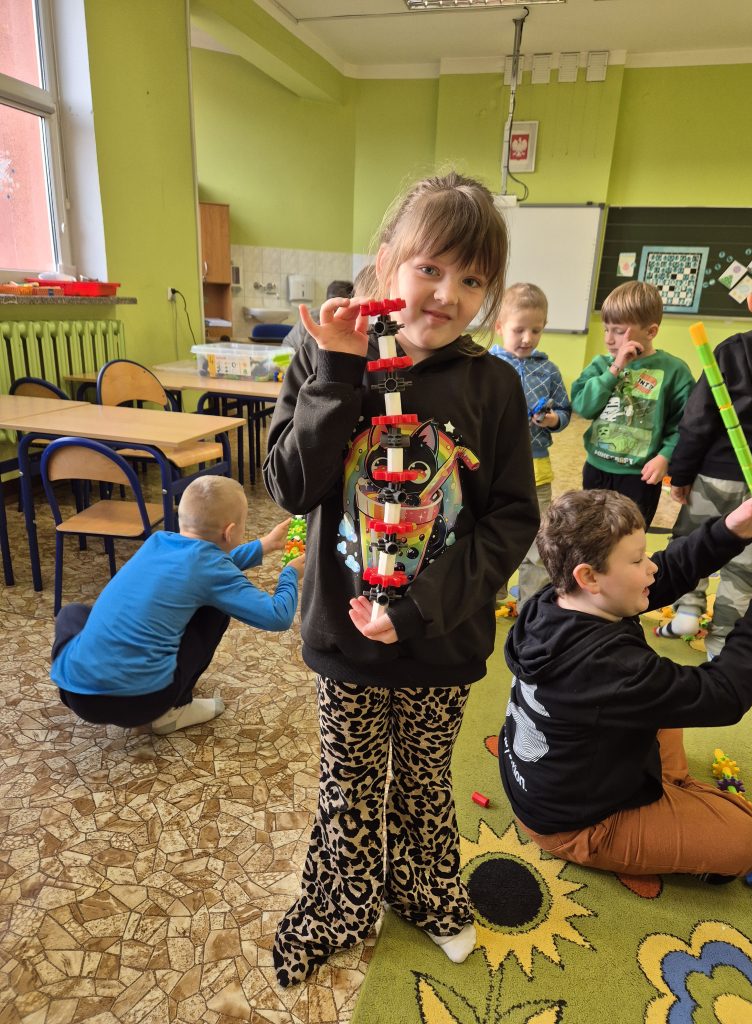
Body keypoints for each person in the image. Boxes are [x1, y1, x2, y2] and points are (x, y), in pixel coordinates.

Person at [264, 171, 539, 986]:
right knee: (347, 785)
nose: (448, 295)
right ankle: (337, 904)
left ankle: (424, 890)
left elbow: (511, 520)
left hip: (441, 638)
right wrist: (336, 372)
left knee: (422, 782)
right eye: (430, 268)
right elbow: (291, 487)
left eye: (473, 280)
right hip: (343, 634)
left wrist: (420, 608)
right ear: (386, 260)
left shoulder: (494, 383)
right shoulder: (324, 353)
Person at [499, 488, 752, 882]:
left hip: (559, 774)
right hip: (574, 823)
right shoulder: (611, 668)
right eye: (638, 559)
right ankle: (668, 802)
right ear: (589, 576)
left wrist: (733, 528)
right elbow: (724, 695)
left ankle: (670, 795)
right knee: (747, 838)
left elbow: (667, 571)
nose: (651, 567)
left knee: (666, 698)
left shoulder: (557, 597)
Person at [50, 476, 304, 733]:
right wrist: (290, 573)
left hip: (78, 697)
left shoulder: (157, 543)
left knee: (73, 612)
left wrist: (265, 545)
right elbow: (278, 616)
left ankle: (86, 671)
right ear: (229, 532)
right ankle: (175, 709)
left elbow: (207, 567)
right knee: (214, 610)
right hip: (142, 703)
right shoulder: (210, 569)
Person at [656, 258, 752, 656]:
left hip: (716, 476)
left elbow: (698, 420)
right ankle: (722, 641)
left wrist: (681, 474)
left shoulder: (734, 349)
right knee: (748, 565)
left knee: (692, 542)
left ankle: (688, 608)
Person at [571, 281, 694, 528]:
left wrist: (665, 456)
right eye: (606, 329)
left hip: (640, 477)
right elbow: (583, 407)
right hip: (597, 469)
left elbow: (685, 424)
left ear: (651, 332)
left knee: (630, 536)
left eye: (618, 331)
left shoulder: (675, 371)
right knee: (593, 534)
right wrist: (615, 369)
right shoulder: (601, 365)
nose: (608, 339)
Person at [489, 283, 571, 606]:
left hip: (536, 468)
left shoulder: (549, 370)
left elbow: (564, 410)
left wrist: (553, 420)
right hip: (494, 467)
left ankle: (531, 606)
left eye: (535, 330)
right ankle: (489, 595)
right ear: (499, 327)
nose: (527, 338)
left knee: (539, 539)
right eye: (518, 330)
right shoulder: (486, 367)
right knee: (493, 532)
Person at [281, 279, 354, 354]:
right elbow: (310, 353)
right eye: (330, 300)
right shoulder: (314, 318)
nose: (333, 306)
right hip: (290, 353)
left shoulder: (350, 321)